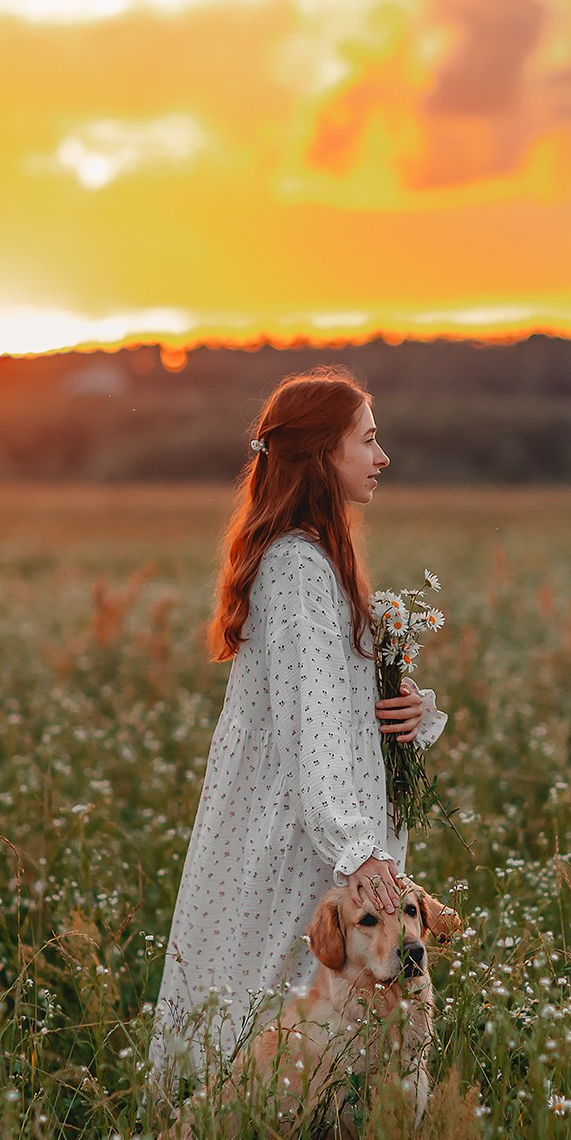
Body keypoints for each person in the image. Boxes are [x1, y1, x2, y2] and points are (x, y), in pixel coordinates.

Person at [147, 365, 447, 1094]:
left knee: (298, 1026)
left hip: (317, 823)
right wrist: (357, 850)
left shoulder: (316, 561)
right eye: (367, 442)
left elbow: (336, 704)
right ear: (321, 455)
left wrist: (412, 709)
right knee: (280, 1024)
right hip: (299, 837)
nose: (382, 458)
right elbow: (313, 730)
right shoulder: (299, 568)